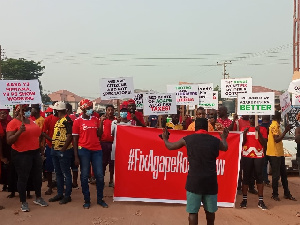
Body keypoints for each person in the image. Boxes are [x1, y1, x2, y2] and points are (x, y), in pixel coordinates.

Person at [161, 118, 229, 225]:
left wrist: (165, 138)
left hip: (194, 182)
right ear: (207, 128)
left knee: (193, 213)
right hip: (210, 182)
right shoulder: (215, 141)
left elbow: (170, 146)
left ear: (194, 127)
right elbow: (225, 147)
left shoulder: (187, 139)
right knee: (210, 212)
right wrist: (224, 138)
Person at [6, 105, 48, 212]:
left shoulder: (30, 121)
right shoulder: (13, 123)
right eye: (23, 110)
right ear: (18, 111)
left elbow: (38, 134)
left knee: (38, 176)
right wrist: (19, 131)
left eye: (27, 110)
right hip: (21, 154)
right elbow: (9, 141)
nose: (26, 112)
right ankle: (23, 202)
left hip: (35, 152)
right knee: (23, 177)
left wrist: (41, 148)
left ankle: (38, 197)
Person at [73, 99, 108, 209]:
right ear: (83, 109)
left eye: (91, 108)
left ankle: (100, 199)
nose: (90, 110)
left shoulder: (95, 119)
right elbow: (74, 139)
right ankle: (87, 200)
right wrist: (76, 156)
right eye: (88, 108)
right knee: (84, 176)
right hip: (83, 150)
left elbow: (99, 134)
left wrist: (101, 122)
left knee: (99, 175)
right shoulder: (77, 121)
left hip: (97, 150)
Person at [239, 115, 268, 210]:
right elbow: (241, 143)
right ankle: (244, 200)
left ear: (257, 118)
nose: (251, 120)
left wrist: (258, 132)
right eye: (250, 118)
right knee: (246, 177)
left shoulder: (262, 129)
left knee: (259, 177)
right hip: (246, 155)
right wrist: (244, 134)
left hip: (258, 155)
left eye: (253, 118)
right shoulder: (244, 129)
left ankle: (260, 200)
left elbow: (264, 143)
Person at [47, 101, 73, 205]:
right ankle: (59, 193)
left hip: (63, 151)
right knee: (58, 173)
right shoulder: (59, 121)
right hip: (55, 149)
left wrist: (63, 149)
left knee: (66, 173)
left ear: (58, 110)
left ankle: (67, 195)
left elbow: (70, 135)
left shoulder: (67, 120)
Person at [266, 111, 296, 201]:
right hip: (274, 153)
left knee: (283, 174)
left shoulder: (276, 125)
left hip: (279, 153)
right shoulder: (274, 126)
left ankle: (286, 193)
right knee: (276, 175)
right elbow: (277, 139)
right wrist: (286, 131)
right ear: (279, 118)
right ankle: (275, 194)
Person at [41, 105, 59, 195]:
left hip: (61, 146)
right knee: (49, 168)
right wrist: (51, 140)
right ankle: (50, 186)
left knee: (61, 168)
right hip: (50, 146)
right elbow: (43, 133)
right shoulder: (48, 119)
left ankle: (60, 186)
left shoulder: (64, 119)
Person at [99, 104, 115, 187]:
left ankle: (111, 181)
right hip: (104, 143)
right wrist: (101, 121)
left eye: (112, 110)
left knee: (112, 163)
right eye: (108, 110)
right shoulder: (102, 120)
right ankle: (102, 180)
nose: (110, 112)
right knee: (103, 163)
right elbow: (99, 132)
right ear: (106, 111)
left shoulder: (116, 120)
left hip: (113, 144)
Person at [66, 103, 79, 189]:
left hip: (69, 144)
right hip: (76, 144)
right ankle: (74, 182)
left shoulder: (68, 118)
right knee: (75, 165)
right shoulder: (76, 117)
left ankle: (69, 183)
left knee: (67, 166)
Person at [260, 115, 271, 186]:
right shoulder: (271, 126)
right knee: (273, 164)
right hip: (272, 147)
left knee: (264, 164)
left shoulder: (260, 127)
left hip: (264, 147)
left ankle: (265, 179)